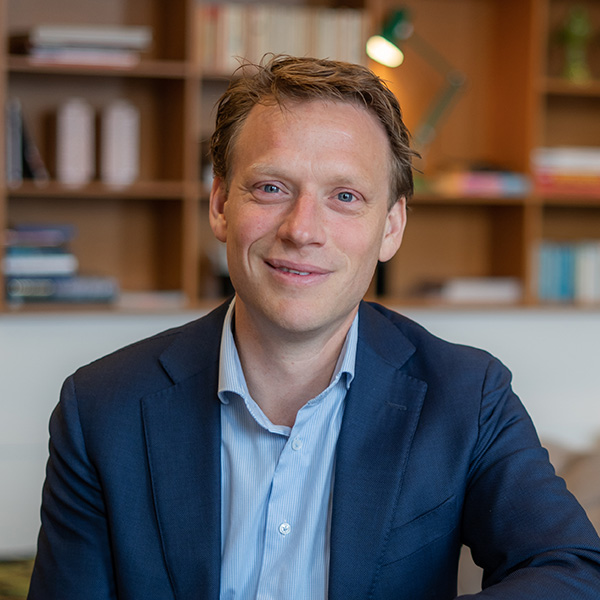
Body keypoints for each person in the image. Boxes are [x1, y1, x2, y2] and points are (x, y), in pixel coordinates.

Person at [28, 55, 600, 600]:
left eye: (345, 196)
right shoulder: (101, 409)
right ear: (221, 205)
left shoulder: (468, 396)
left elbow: (571, 571)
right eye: (271, 188)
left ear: (391, 227)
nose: (303, 230)